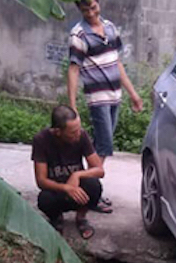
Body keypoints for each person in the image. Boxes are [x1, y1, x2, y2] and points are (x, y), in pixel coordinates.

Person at [67, 0, 143, 212]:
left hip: (115, 96)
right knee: (104, 145)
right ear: (79, 10)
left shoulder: (110, 28)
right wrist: (72, 106)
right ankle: (91, 193)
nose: (91, 13)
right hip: (97, 98)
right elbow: (73, 69)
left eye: (93, 7)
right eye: (85, 10)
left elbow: (117, 63)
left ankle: (88, 188)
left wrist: (133, 94)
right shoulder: (79, 34)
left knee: (99, 146)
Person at [32, 105, 105, 239]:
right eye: (73, 132)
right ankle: (57, 218)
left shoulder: (82, 135)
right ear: (58, 132)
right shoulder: (41, 140)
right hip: (57, 190)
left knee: (94, 185)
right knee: (44, 199)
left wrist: (77, 175)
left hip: (78, 189)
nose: (78, 134)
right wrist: (66, 188)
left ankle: (81, 218)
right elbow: (41, 181)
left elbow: (99, 170)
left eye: (78, 129)